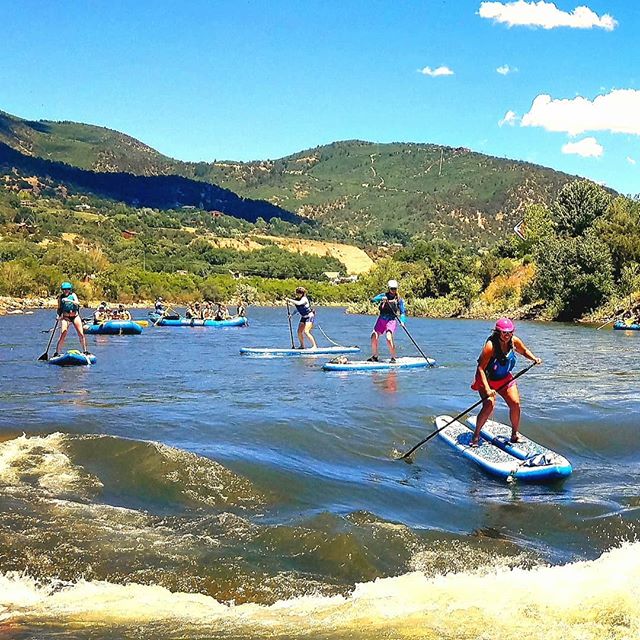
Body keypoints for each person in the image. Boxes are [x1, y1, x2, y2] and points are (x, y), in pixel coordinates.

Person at [469, 317, 542, 447]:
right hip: (486, 379)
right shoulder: (490, 346)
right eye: (504, 332)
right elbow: (480, 368)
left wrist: (534, 358)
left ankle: (514, 435)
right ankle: (475, 436)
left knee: (515, 404)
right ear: (498, 332)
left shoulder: (514, 341)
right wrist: (487, 390)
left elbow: (524, 351)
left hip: (504, 378)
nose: (507, 335)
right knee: (489, 405)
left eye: (510, 332)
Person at [368, 279, 406, 363]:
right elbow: (373, 300)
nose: (393, 291)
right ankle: (375, 356)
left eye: (395, 289)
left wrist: (403, 321)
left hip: (391, 320)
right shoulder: (383, 295)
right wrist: (381, 298)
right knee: (374, 336)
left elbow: (403, 312)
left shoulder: (399, 299)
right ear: (389, 288)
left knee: (389, 337)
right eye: (392, 289)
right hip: (381, 319)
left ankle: (393, 358)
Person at [54, 281, 90, 356]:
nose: (65, 291)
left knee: (81, 333)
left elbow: (77, 303)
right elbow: (59, 308)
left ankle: (85, 351)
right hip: (65, 317)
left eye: (67, 289)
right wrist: (58, 316)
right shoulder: (60, 297)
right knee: (63, 333)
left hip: (75, 316)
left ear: (70, 289)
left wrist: (69, 300)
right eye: (64, 289)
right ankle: (57, 352)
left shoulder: (73, 295)